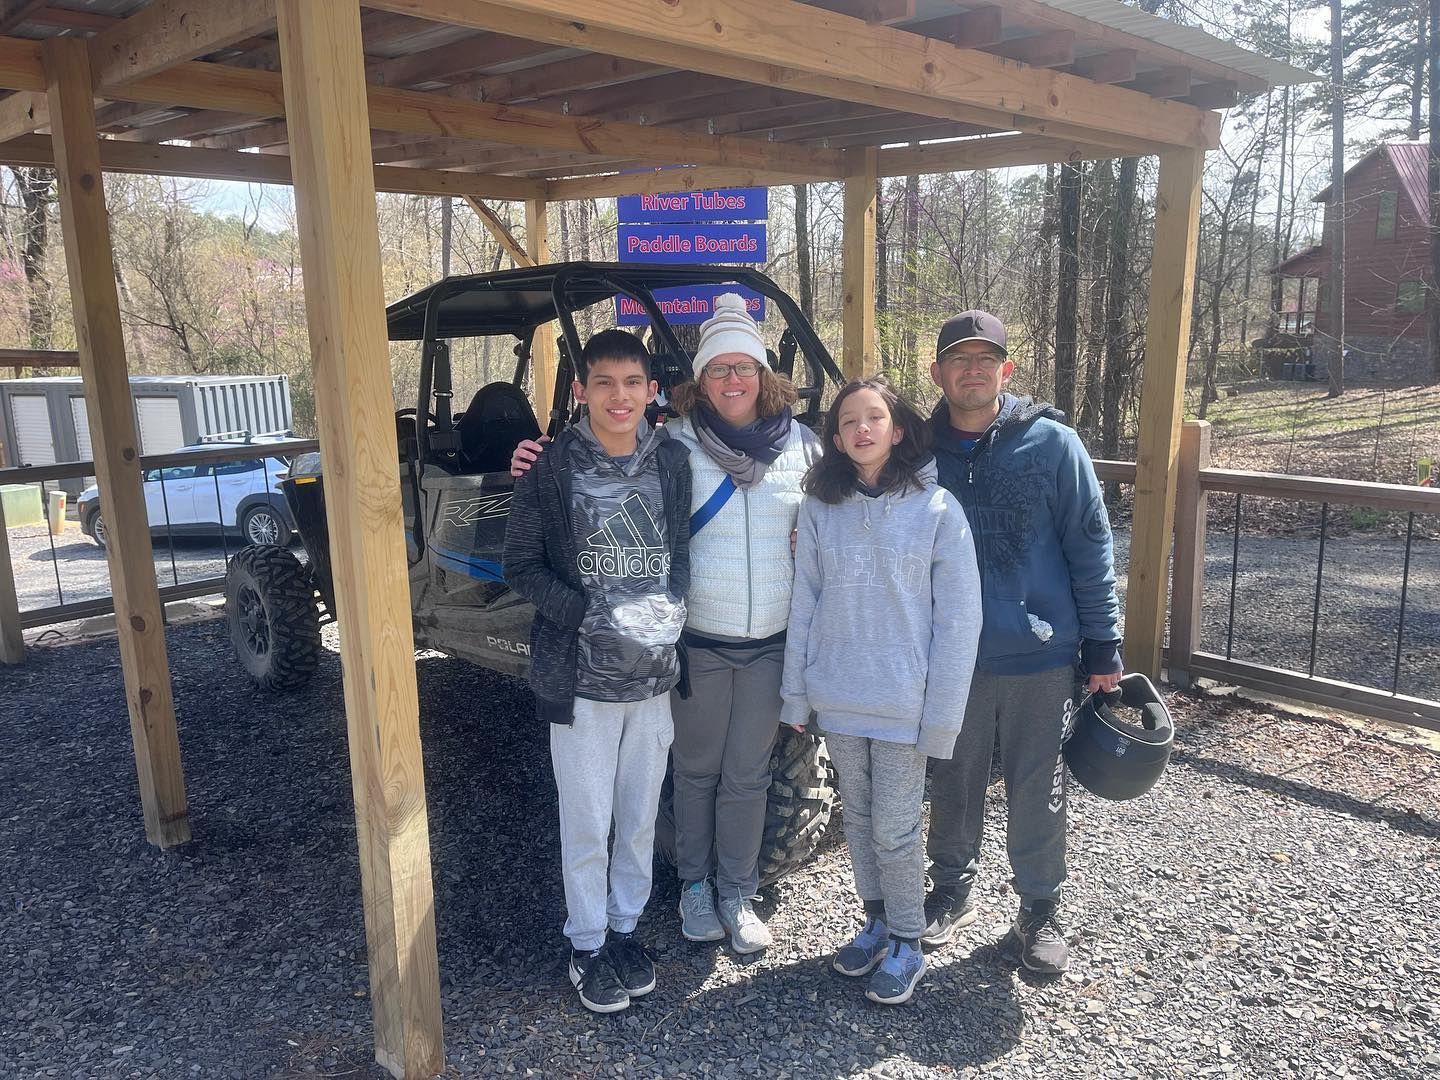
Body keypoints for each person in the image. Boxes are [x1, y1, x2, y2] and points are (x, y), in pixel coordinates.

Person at [512, 293, 820, 956]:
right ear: (695, 384)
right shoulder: (674, 446)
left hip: (764, 641)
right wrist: (532, 457)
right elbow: (539, 536)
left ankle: (730, 891)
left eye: (744, 367)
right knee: (691, 772)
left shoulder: (801, 448)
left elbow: (850, 503)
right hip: (689, 645)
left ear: (763, 375)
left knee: (746, 774)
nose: (733, 380)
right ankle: (682, 894)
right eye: (718, 370)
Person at [920, 310, 1123, 976]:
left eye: (986, 359)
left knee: (1040, 787)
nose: (972, 370)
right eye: (959, 359)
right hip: (952, 657)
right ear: (938, 372)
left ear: (1007, 371)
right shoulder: (915, 451)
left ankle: (1040, 906)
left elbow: (1090, 547)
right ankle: (951, 887)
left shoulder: (1054, 445)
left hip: (1041, 655)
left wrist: (1103, 645)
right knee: (952, 781)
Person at [502, 328, 692, 1014]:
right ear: (581, 390)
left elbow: (680, 552)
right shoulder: (550, 468)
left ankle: (625, 929)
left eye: (633, 383)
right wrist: (582, 611)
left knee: (639, 815)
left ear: (651, 392)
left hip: (653, 679)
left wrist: (676, 606)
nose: (620, 396)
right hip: (579, 678)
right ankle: (585, 943)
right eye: (604, 383)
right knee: (587, 818)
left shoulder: (670, 460)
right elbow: (518, 565)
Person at [781, 377, 981, 1006]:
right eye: (847, 423)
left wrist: (943, 716)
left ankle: (909, 940)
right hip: (839, 694)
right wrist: (795, 694)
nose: (861, 430)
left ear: (897, 430)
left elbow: (958, 622)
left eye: (874, 419)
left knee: (896, 828)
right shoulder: (819, 510)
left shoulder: (938, 510)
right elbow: (805, 603)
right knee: (861, 820)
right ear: (836, 440)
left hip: (903, 703)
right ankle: (876, 920)